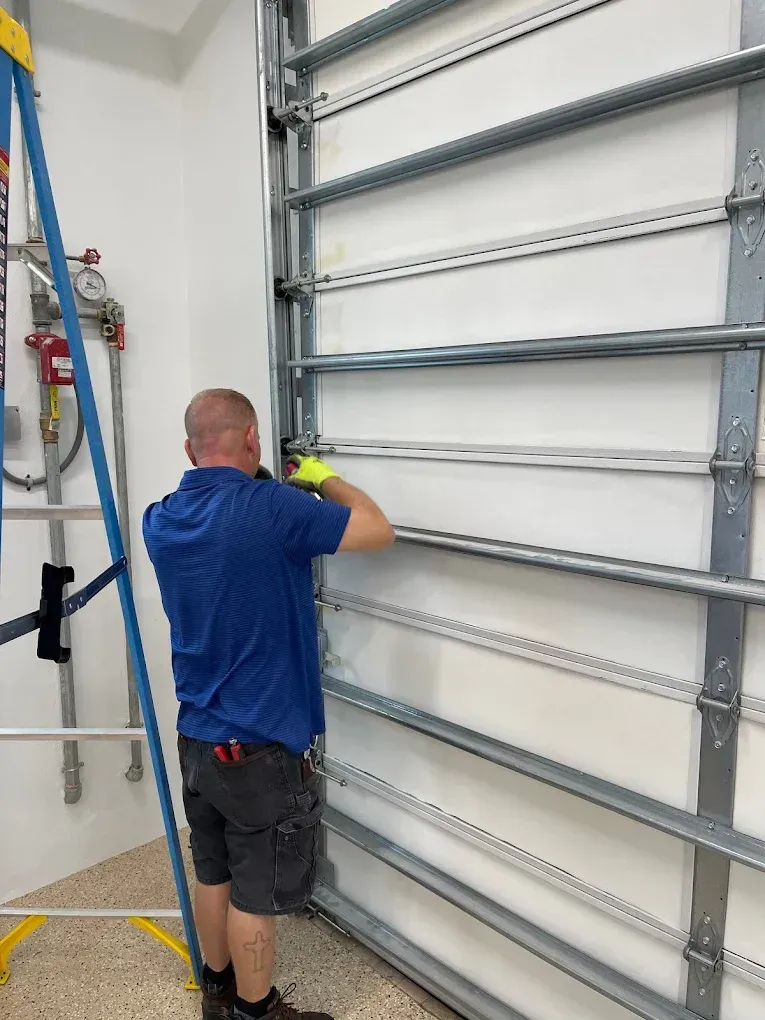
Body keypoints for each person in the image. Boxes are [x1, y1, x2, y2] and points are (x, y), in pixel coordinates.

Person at [142, 388, 394, 1020]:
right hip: (258, 749)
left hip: (197, 739)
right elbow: (377, 529)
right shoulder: (277, 510)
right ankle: (258, 1013)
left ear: (188, 449)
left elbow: (225, 543)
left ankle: (217, 992)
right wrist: (322, 477)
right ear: (253, 439)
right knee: (255, 895)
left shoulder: (160, 519)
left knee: (213, 873)